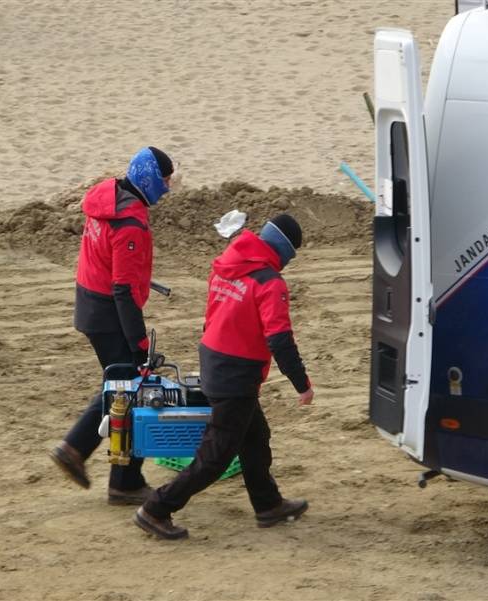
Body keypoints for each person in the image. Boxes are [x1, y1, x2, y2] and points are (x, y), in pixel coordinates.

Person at [134, 214, 314, 539]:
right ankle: (157, 508)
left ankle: (268, 504)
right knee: (214, 458)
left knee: (255, 437)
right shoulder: (269, 282)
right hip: (236, 374)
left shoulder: (229, 263)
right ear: (285, 250)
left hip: (215, 360)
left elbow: (211, 313)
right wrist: (302, 384)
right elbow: (279, 339)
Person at [50, 146, 174, 505]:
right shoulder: (130, 224)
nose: (166, 189)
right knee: (131, 387)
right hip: (107, 313)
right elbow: (122, 291)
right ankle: (95, 461)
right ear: (150, 179)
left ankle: (113, 472)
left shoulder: (109, 199)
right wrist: (138, 341)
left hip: (90, 304)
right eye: (164, 181)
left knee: (122, 387)